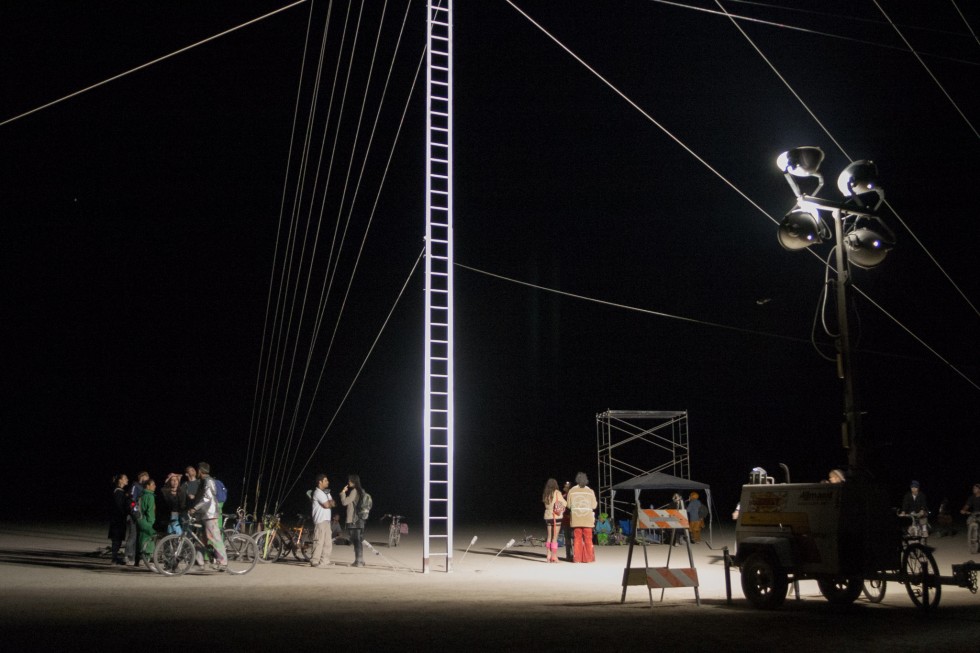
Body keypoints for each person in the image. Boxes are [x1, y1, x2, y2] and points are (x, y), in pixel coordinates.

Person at [187, 462, 227, 571]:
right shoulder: (204, 481)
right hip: (204, 514)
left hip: (210, 513)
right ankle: (199, 563)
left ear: (200, 471)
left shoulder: (208, 481)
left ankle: (222, 562)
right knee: (201, 539)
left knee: (214, 538)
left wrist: (195, 508)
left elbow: (206, 498)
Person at [567, 472, 597, 563]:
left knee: (577, 538)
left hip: (576, 519)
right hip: (587, 519)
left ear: (577, 480)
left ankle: (577, 559)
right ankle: (588, 558)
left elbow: (568, 505)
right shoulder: (590, 491)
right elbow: (594, 506)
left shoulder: (572, 491)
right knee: (588, 538)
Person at [340, 474, 366, 567]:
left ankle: (358, 561)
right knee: (358, 540)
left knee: (355, 540)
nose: (348, 482)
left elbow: (344, 502)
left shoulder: (354, 491)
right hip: (360, 519)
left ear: (354, 481)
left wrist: (343, 492)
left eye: (350, 480)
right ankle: (360, 560)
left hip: (354, 520)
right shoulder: (362, 491)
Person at [310, 473, 336, 567]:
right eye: (326, 480)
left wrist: (329, 501)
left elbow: (333, 503)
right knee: (319, 541)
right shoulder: (318, 493)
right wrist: (329, 502)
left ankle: (325, 561)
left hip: (327, 520)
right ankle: (314, 561)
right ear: (320, 482)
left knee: (327, 542)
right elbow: (327, 505)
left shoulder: (326, 492)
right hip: (320, 520)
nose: (327, 482)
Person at [124, 470, 149, 565]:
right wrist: (135, 512)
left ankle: (133, 557)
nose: (147, 479)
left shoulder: (143, 488)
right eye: (146, 477)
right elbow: (132, 500)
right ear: (142, 477)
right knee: (133, 536)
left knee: (138, 537)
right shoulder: (135, 485)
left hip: (141, 516)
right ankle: (127, 556)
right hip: (134, 516)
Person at [542, 478, 566, 562]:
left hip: (548, 516)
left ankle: (548, 555)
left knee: (549, 536)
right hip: (556, 516)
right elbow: (564, 503)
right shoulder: (557, 493)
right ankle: (554, 556)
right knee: (555, 538)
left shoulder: (546, 493)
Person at [108, 474, 129, 565]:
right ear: (120, 480)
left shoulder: (121, 491)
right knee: (116, 539)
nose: (127, 479)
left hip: (119, 518)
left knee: (118, 539)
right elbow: (119, 506)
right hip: (117, 518)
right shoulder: (118, 491)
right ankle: (114, 559)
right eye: (125, 478)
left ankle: (115, 558)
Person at [137, 477, 157, 563]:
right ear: (147, 486)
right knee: (151, 536)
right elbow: (150, 511)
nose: (155, 486)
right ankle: (147, 556)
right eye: (153, 485)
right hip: (146, 520)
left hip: (140, 519)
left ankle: (140, 557)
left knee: (142, 537)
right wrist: (151, 521)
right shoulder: (150, 496)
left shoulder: (142, 495)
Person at [960, 483, 980, 554]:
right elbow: (967, 505)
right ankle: (971, 535)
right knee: (969, 520)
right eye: (973, 488)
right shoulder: (972, 497)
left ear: (979, 489)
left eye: (975, 488)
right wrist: (964, 510)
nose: (973, 489)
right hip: (974, 513)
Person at [560, 481, 573, 561]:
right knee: (567, 538)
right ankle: (569, 555)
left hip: (574, 519)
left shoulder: (573, 496)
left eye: (567, 486)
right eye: (565, 485)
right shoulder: (563, 496)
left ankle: (575, 555)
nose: (565, 487)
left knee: (574, 538)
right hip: (565, 519)